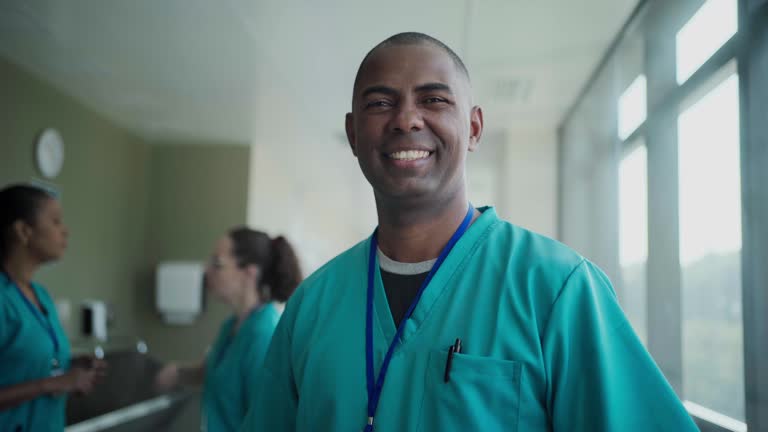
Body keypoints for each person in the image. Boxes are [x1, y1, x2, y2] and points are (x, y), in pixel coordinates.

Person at [241, 32, 699, 431]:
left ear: (474, 127)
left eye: (433, 99)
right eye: (380, 103)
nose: (405, 119)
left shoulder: (557, 289)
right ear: (354, 134)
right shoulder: (312, 307)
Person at [155, 227, 302, 432]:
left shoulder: (263, 336)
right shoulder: (232, 326)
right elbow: (218, 371)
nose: (206, 270)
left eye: (217, 264)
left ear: (249, 273)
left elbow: (267, 422)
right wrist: (178, 372)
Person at [0, 184, 106, 432]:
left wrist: (72, 367)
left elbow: (25, 363)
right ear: (23, 231)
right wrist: (53, 384)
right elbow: (46, 382)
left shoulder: (42, 296)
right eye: (56, 222)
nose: (65, 231)